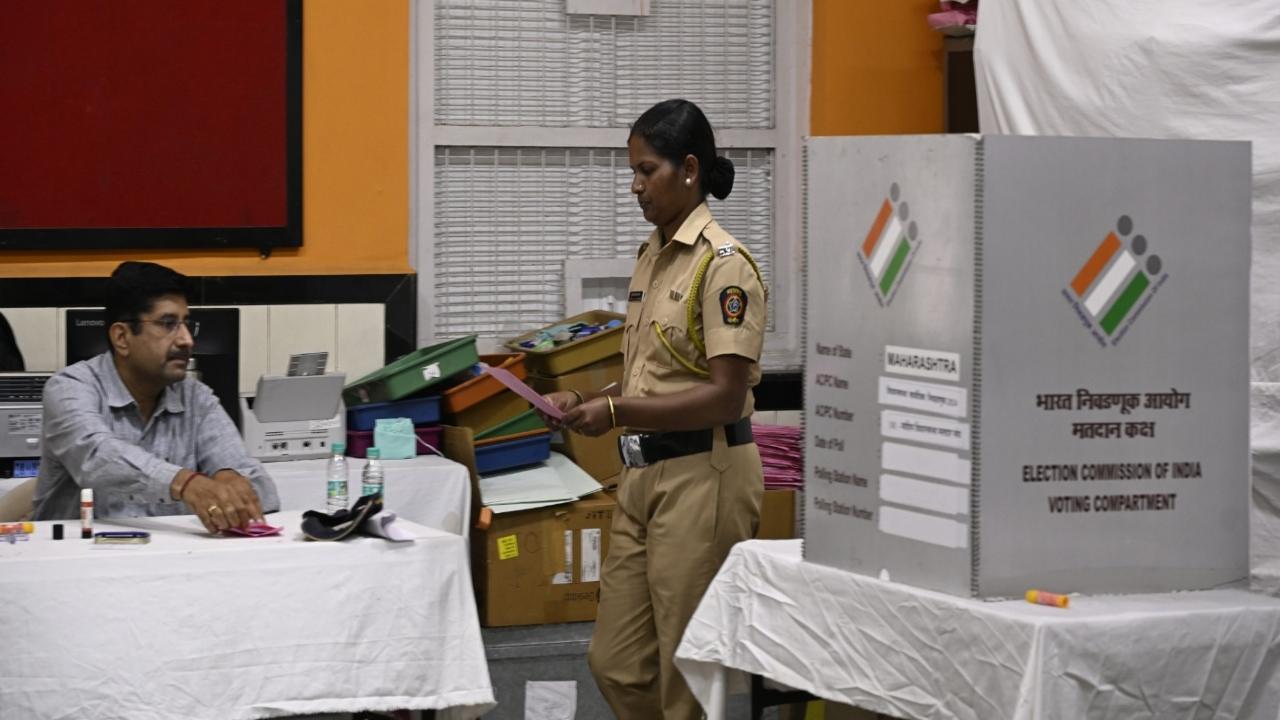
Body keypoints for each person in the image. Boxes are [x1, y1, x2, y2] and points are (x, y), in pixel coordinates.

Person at [544, 99, 767, 719]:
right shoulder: (652, 255)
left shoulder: (724, 268)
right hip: (643, 475)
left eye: (647, 171)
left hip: (706, 477)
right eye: (632, 173)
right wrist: (589, 401)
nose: (636, 186)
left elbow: (724, 394)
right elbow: (652, 377)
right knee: (615, 661)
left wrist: (614, 414)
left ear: (689, 169)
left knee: (687, 676)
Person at [33, 261, 278, 532]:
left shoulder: (195, 397)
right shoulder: (69, 388)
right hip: (76, 561)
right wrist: (186, 484)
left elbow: (262, 489)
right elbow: (96, 457)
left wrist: (231, 477)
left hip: (172, 561)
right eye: (168, 324)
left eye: (187, 324)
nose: (187, 340)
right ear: (122, 337)